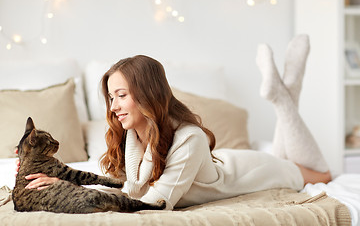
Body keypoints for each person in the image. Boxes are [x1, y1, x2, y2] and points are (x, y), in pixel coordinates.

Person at [18, 35, 331, 210]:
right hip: (228, 164)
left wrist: (74, 189)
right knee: (284, 150)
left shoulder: (190, 139)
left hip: (252, 171)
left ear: (146, 94)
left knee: (321, 173)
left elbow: (154, 203)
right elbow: (127, 186)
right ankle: (288, 90)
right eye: (111, 98)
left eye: (121, 96)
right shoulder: (132, 137)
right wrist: (55, 177)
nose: (113, 108)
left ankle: (282, 99)